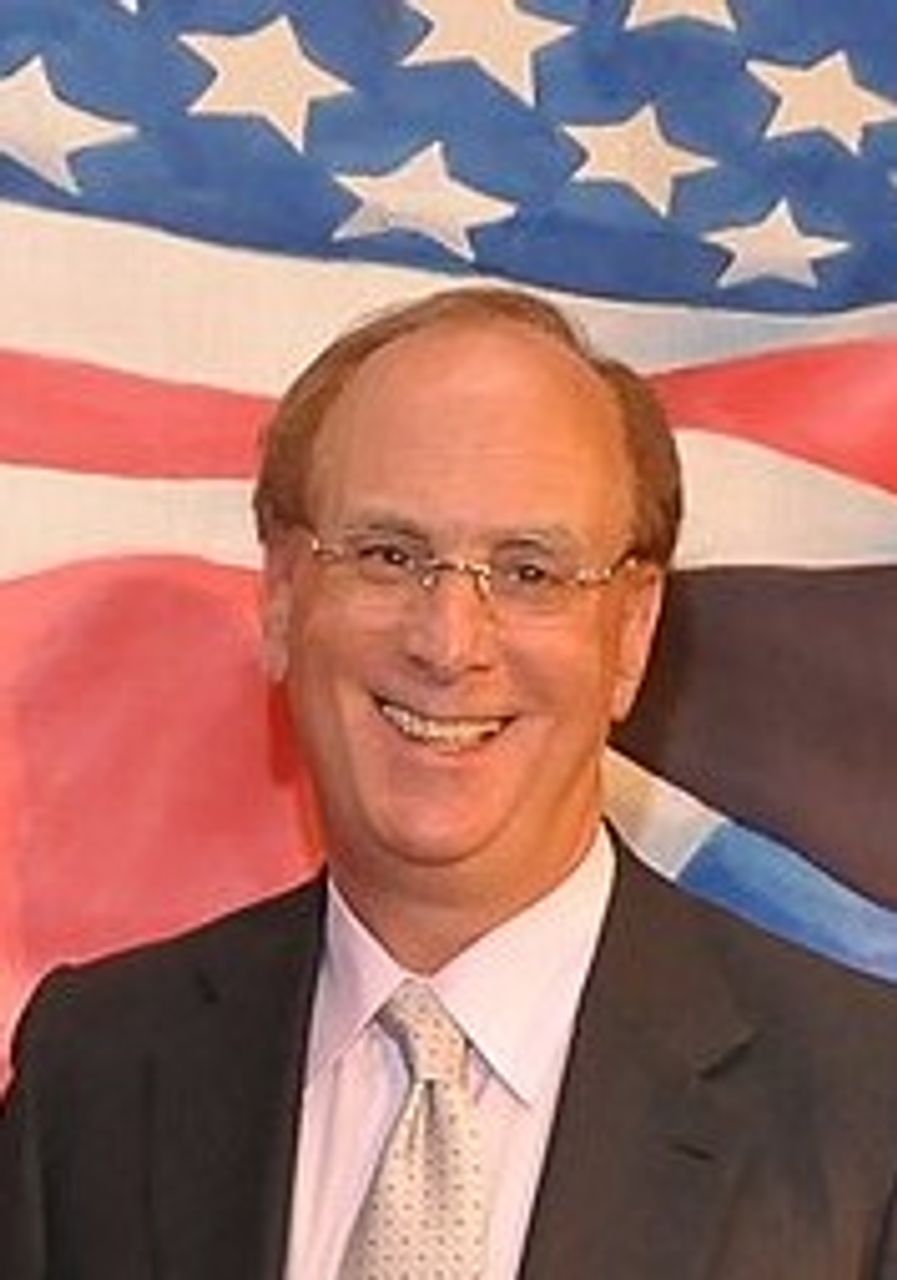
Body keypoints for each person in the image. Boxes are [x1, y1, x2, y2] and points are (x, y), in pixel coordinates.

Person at [2, 286, 897, 1280]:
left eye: (529, 571)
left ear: (631, 632)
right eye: (390, 555)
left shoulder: (866, 1111)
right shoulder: (96, 1076)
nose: (448, 641)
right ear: (284, 596)